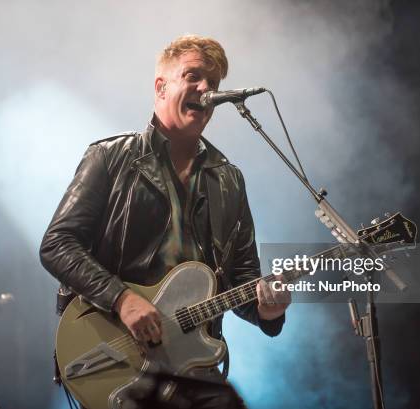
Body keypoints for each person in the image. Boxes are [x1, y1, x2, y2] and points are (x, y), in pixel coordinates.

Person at [40, 34, 290, 408]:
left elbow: (242, 278)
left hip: (189, 363)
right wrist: (121, 299)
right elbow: (57, 244)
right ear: (161, 86)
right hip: (117, 350)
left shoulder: (228, 179)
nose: (206, 88)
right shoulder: (110, 157)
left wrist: (267, 311)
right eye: (193, 76)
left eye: (214, 83)